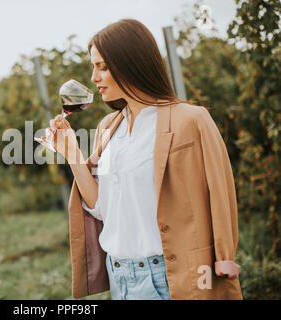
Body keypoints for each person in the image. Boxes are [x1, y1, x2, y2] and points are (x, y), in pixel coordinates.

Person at [48, 19, 243, 300]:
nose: (93, 77)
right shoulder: (108, 127)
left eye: (102, 66)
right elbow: (103, 208)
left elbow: (222, 197)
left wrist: (224, 258)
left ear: (131, 63)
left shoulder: (191, 121)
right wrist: (72, 154)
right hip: (119, 278)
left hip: (169, 279)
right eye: (94, 67)